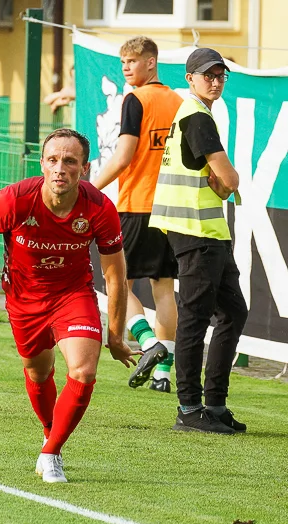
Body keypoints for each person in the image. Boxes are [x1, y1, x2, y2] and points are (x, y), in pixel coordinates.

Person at [0, 128, 138, 483]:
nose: (60, 168)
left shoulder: (100, 209)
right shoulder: (15, 200)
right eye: (53, 160)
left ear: (84, 168)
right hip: (24, 300)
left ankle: (51, 452)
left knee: (84, 371)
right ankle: (49, 432)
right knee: (40, 373)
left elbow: (116, 276)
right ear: (41, 163)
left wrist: (115, 335)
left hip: (73, 295)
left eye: (70, 161)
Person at [149, 48, 248, 434]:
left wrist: (223, 183)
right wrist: (226, 181)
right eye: (208, 74)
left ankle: (215, 405)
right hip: (195, 230)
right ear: (190, 78)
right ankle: (190, 409)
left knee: (233, 312)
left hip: (206, 231)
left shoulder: (195, 113)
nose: (216, 80)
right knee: (194, 318)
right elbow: (231, 179)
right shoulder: (195, 115)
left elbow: (222, 182)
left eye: (221, 75)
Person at [91, 36, 183, 393]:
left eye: (133, 60)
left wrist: (90, 187)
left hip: (137, 204)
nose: (126, 67)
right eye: (123, 62)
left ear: (151, 62)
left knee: (117, 283)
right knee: (164, 288)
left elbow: (123, 155)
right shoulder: (178, 100)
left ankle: (148, 344)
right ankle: (163, 376)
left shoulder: (135, 98)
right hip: (173, 207)